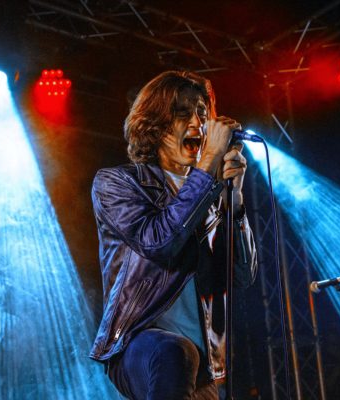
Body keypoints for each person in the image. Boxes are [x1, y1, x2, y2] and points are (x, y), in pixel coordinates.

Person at [89, 70, 257, 400]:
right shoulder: (118, 183)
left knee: (185, 356)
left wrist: (235, 200)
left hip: (203, 365)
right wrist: (208, 166)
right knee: (175, 352)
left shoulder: (211, 194)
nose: (197, 122)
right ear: (156, 125)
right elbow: (159, 242)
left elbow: (241, 275)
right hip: (140, 341)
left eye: (202, 113)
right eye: (182, 113)